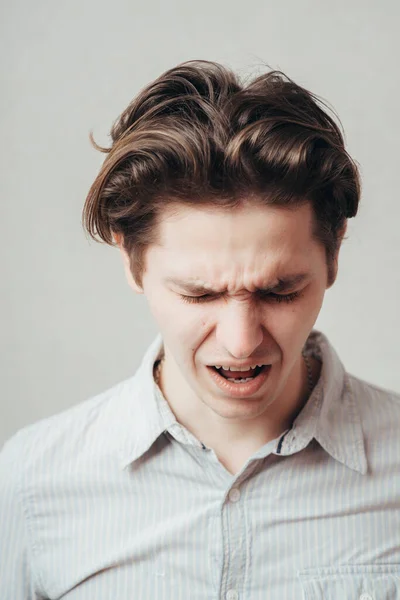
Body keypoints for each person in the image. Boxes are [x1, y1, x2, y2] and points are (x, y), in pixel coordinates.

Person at [1, 60, 399, 599]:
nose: (240, 341)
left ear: (334, 254)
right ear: (130, 261)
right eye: (199, 294)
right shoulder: (29, 481)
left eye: (280, 291)